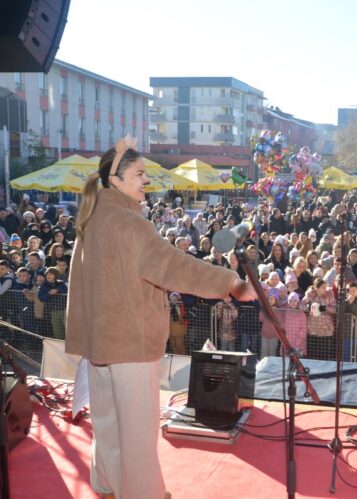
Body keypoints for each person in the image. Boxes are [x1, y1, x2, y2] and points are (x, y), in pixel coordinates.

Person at [65, 136, 257, 499]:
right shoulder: (130, 224)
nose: (146, 180)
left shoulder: (91, 219)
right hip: (131, 346)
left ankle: (108, 486)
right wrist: (229, 283)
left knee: (107, 424)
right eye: (139, 174)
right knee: (137, 433)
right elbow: (174, 266)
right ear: (116, 180)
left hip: (100, 345)